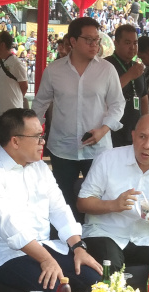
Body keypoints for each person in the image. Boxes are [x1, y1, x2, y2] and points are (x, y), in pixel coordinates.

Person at [0, 108, 102, 292]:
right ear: (15, 141)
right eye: (37, 137)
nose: (43, 142)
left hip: (45, 246)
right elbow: (10, 228)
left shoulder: (40, 168)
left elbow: (60, 209)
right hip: (4, 254)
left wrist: (78, 248)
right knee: (55, 289)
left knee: (95, 281)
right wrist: (46, 259)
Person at [76, 114, 149, 272]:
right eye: (142, 137)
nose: (146, 145)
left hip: (142, 238)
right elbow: (82, 203)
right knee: (111, 268)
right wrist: (113, 205)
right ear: (133, 136)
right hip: (103, 233)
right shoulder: (108, 158)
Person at [32, 17, 125, 215]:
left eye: (97, 40)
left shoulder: (107, 70)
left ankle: (92, 235)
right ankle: (68, 233)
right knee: (64, 202)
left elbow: (118, 104)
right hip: (62, 149)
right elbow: (40, 104)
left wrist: (103, 130)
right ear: (73, 41)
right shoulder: (54, 71)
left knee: (98, 200)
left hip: (98, 150)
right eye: (89, 40)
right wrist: (34, 135)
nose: (95, 45)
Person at [105, 24, 148, 148]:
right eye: (127, 43)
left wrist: (145, 123)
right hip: (112, 132)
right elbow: (104, 95)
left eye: (135, 43)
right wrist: (129, 76)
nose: (132, 47)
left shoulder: (137, 67)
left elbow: (144, 98)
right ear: (116, 43)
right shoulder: (106, 66)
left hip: (135, 131)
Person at [0, 31, 28, 127]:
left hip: (11, 113)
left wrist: (14, 100)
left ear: (2, 45)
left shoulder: (17, 64)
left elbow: (24, 87)